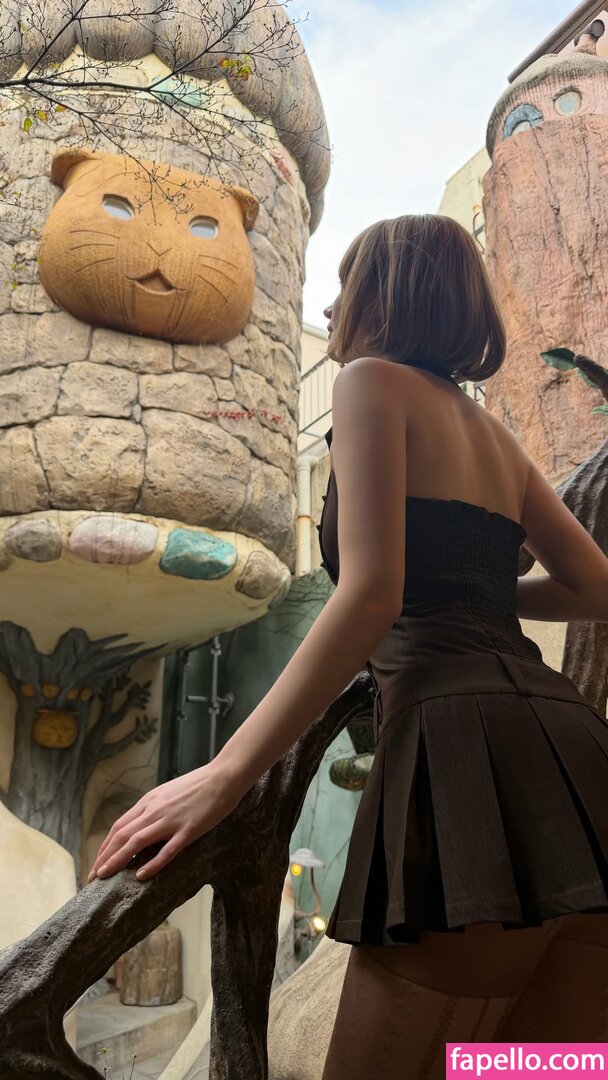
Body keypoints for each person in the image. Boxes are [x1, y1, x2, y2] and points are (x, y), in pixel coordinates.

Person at [88, 214, 608, 1076]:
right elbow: (598, 589)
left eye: (344, 284)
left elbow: (371, 594)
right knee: (541, 1068)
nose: (330, 306)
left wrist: (224, 774)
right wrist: (473, 599)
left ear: (387, 296)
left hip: (465, 769)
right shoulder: (498, 439)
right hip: (580, 770)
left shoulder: (370, 384)